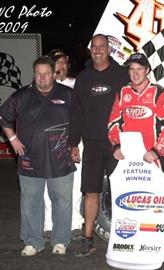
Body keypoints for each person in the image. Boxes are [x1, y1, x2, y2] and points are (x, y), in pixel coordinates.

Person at [0, 56, 75, 256]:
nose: (42, 78)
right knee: (30, 202)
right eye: (38, 74)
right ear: (34, 74)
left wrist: (74, 145)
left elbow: (80, 120)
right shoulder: (22, 95)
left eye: (46, 74)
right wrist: (13, 139)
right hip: (29, 159)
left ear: (54, 74)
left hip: (60, 159)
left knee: (62, 201)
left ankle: (60, 241)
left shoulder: (68, 94)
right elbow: (3, 117)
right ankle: (33, 242)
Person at [107, 52, 164, 260]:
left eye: (139, 69)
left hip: (152, 158)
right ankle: (133, 244)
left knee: (158, 205)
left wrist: (157, 150)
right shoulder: (122, 92)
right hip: (127, 159)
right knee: (128, 203)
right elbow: (112, 123)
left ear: (147, 70)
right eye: (131, 69)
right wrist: (116, 146)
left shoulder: (159, 94)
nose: (135, 73)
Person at [69, 34, 129, 257]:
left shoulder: (123, 74)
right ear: (90, 50)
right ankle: (87, 239)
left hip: (118, 145)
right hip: (91, 145)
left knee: (120, 192)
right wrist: (73, 143)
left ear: (109, 49)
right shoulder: (83, 78)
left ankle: (124, 238)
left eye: (102, 46)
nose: (97, 50)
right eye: (94, 47)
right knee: (91, 192)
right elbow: (76, 114)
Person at [43, 49, 83, 240]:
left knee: (75, 183)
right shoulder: (41, 86)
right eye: (56, 63)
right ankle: (49, 225)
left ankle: (75, 223)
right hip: (49, 142)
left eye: (64, 63)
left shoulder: (77, 85)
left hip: (74, 140)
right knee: (47, 184)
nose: (61, 66)